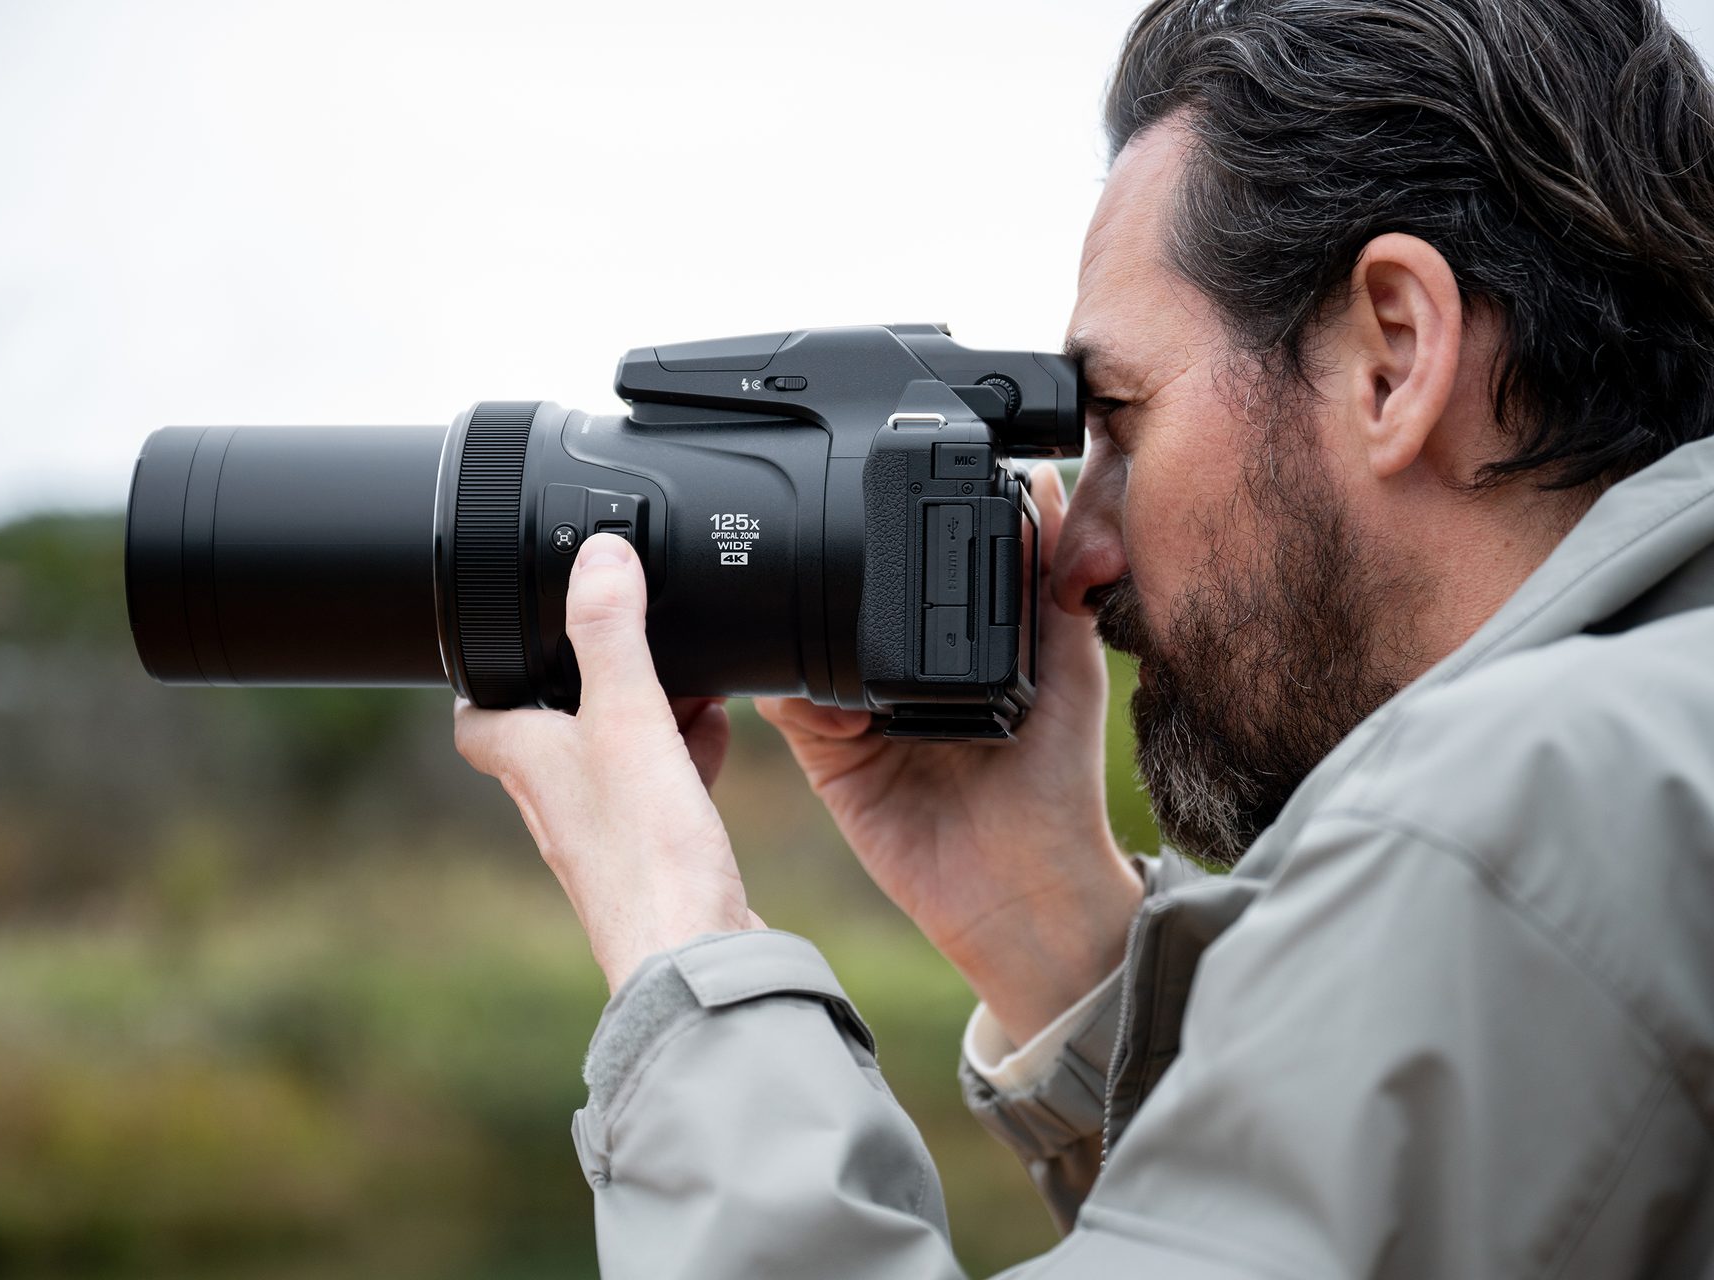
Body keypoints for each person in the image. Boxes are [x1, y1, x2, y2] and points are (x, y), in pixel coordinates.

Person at [454, 0, 1714, 1274]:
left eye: (1118, 413)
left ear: (1392, 355)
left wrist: (681, 947)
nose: (1073, 554)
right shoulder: (1660, 760)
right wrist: (1048, 921)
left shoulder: (1529, 813)